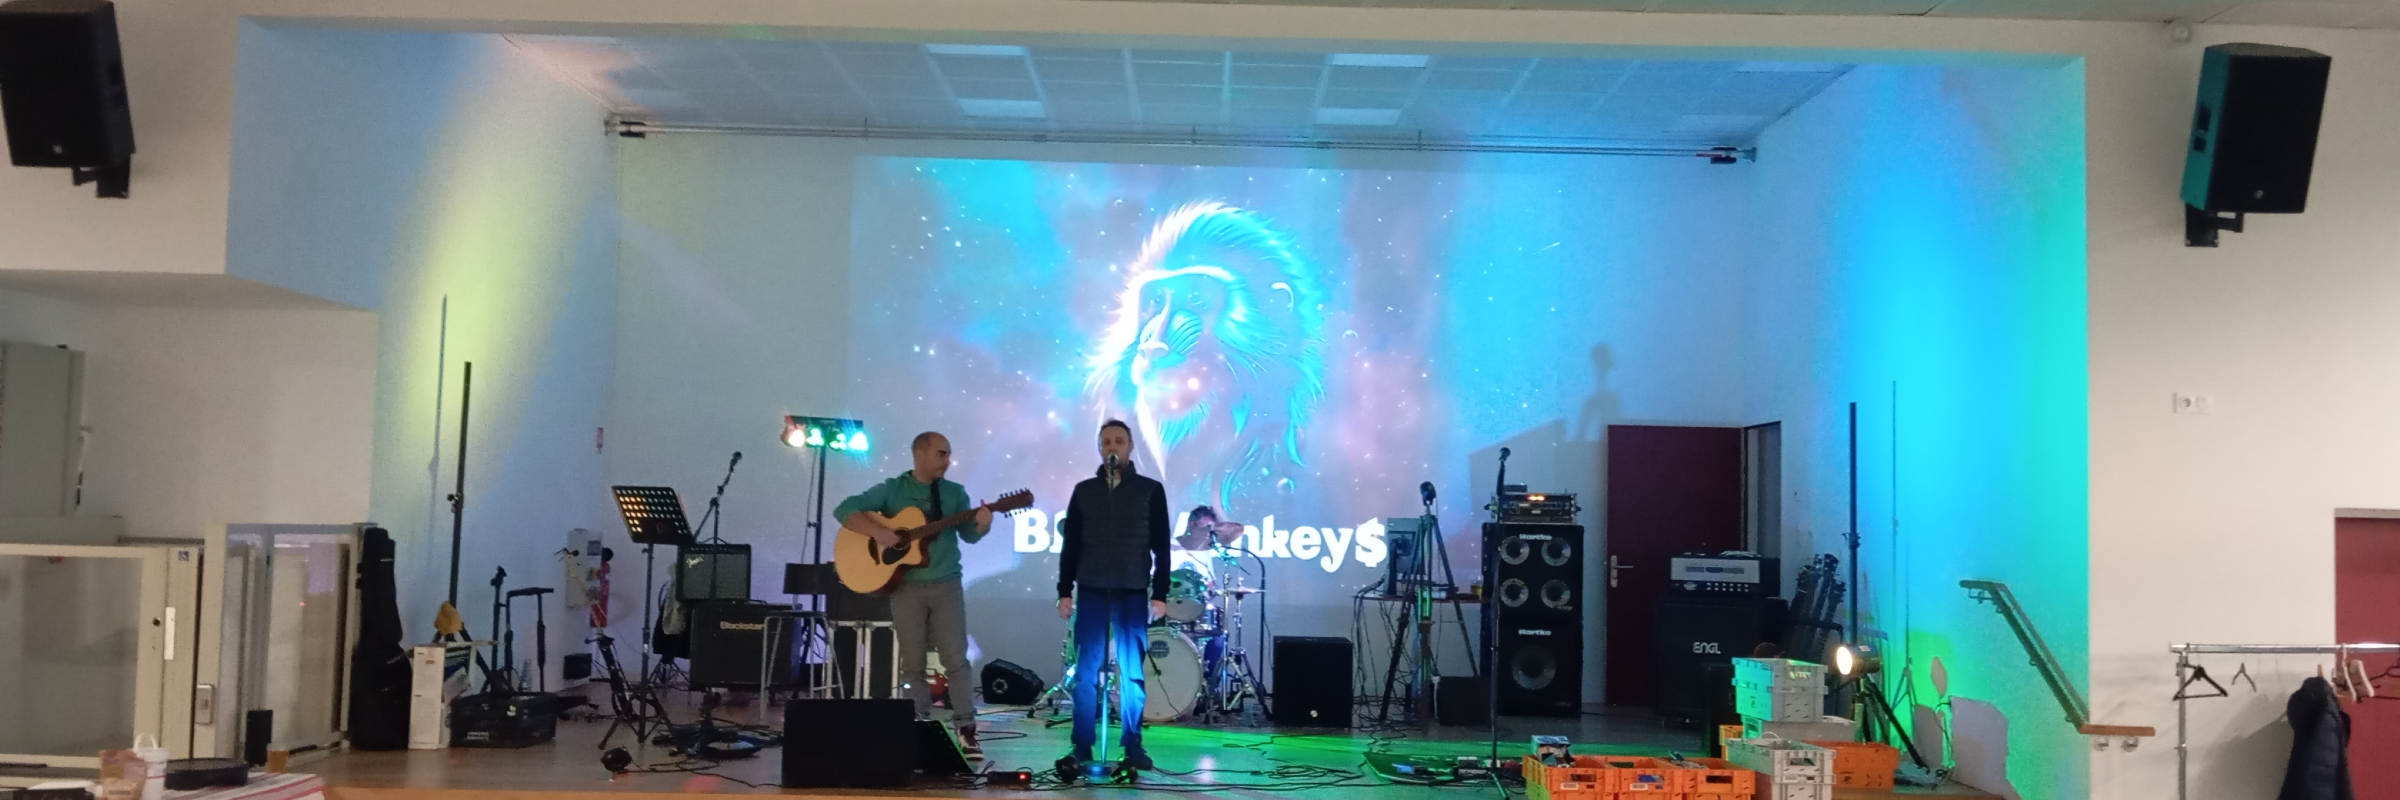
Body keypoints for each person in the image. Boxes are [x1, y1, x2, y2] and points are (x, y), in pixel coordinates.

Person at [834, 431, 994, 757]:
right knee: (912, 665)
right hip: (906, 586)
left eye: (949, 454)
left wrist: (983, 524)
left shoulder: (954, 494)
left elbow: (971, 537)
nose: (947, 461)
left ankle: (966, 729)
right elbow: (845, 509)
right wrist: (880, 532)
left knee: (956, 660)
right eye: (941, 454)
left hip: (946, 584)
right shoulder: (894, 489)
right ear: (919, 453)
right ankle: (919, 727)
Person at [1055, 420, 1173, 771]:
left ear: (1130, 446)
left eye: (1119, 441)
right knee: (1086, 671)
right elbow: (1071, 546)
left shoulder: (1150, 490)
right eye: (1106, 441)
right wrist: (1064, 591)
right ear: (1099, 448)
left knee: (1132, 671)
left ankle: (1133, 744)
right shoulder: (1084, 491)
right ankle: (1081, 746)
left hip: (1132, 591)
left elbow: (1161, 545)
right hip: (1091, 589)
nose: (1112, 446)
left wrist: (1161, 593)